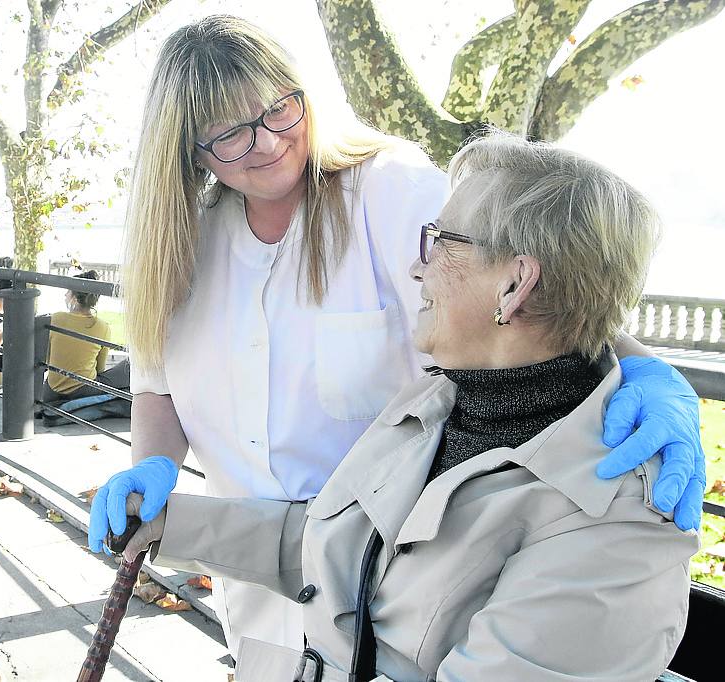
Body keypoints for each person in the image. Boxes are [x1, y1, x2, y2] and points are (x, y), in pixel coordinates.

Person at [89, 15, 705, 658]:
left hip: (406, 572)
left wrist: (650, 371)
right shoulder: (176, 243)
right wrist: (151, 474)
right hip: (261, 563)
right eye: (231, 133)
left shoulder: (389, 191)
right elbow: (157, 387)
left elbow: (529, 293)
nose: (268, 141)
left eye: (279, 109)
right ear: (186, 147)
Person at [41, 270, 129, 404]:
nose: (65, 295)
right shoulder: (103, 327)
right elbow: (100, 369)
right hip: (83, 391)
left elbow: (47, 358)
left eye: (68, 292)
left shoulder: (56, 318)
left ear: (75, 299)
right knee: (129, 367)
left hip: (50, 392)